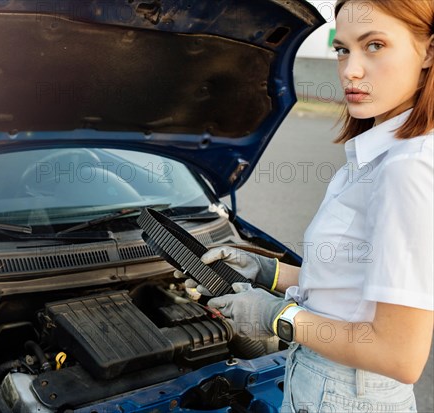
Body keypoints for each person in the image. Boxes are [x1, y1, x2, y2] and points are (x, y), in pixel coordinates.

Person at [184, 0, 434, 410]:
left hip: (346, 394)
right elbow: (350, 283)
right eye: (342, 49)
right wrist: (267, 270)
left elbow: (399, 356)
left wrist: (276, 317)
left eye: (374, 45)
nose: (350, 70)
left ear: (428, 52)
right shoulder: (379, 157)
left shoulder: (407, 169)